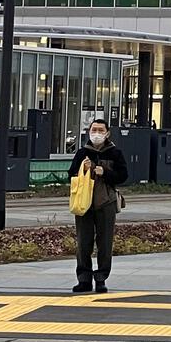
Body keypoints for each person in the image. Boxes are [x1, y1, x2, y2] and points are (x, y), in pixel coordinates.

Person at [67, 119, 128, 294]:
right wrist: (84, 169)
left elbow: (123, 176)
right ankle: (84, 279)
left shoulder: (115, 153)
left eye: (101, 130)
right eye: (94, 129)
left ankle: (101, 278)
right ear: (89, 132)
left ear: (107, 133)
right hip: (84, 203)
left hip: (106, 203)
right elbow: (70, 175)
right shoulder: (82, 153)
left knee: (105, 243)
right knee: (83, 243)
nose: (97, 133)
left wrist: (105, 172)